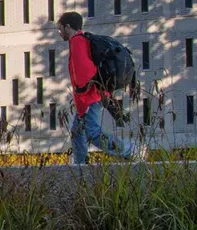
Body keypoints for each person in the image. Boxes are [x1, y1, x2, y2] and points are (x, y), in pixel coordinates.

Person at [59, 11, 140, 164]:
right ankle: (81, 163)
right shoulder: (84, 40)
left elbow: (86, 71)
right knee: (77, 132)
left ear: (67, 27)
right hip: (93, 95)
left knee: (92, 133)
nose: (59, 32)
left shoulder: (77, 42)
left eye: (60, 28)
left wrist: (81, 94)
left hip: (89, 98)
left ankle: (128, 151)